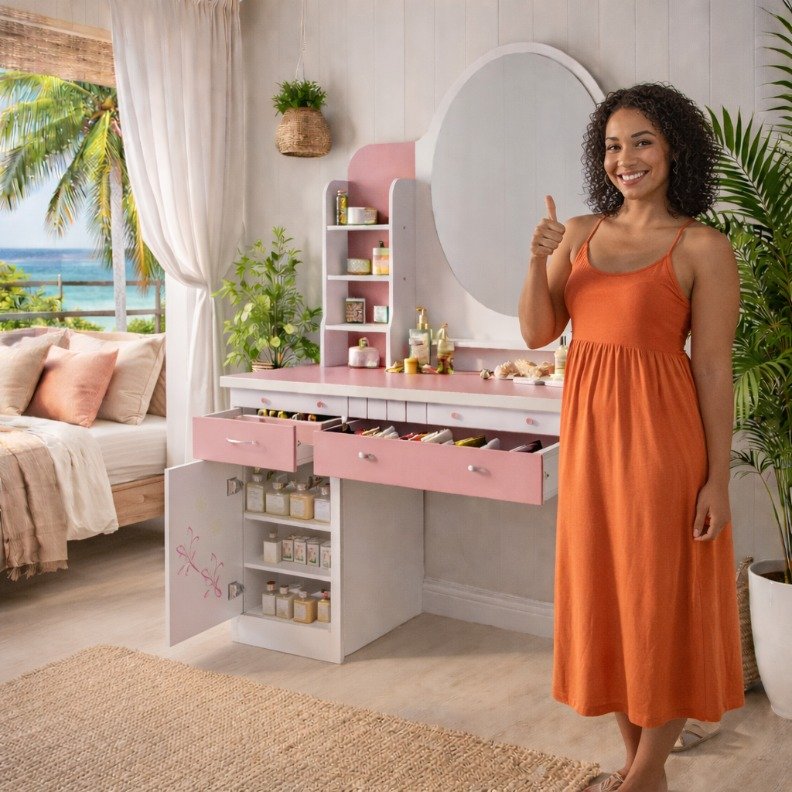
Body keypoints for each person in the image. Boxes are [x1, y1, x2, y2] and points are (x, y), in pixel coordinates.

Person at [518, 83, 745, 792]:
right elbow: (537, 330)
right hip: (589, 446)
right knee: (608, 597)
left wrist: (717, 479)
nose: (627, 158)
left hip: (661, 447)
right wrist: (537, 258)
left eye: (642, 141)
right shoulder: (581, 232)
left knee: (659, 603)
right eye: (614, 146)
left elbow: (711, 368)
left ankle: (645, 775)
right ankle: (639, 771)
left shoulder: (702, 246)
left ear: (674, 147)